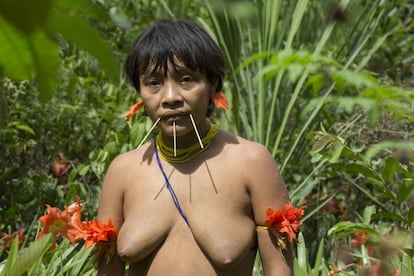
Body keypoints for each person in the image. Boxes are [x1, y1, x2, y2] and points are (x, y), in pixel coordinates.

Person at [97, 19, 292, 275]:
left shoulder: (252, 163)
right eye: (153, 82)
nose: (170, 98)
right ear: (140, 93)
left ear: (212, 84)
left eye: (186, 79)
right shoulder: (122, 172)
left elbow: (279, 270)